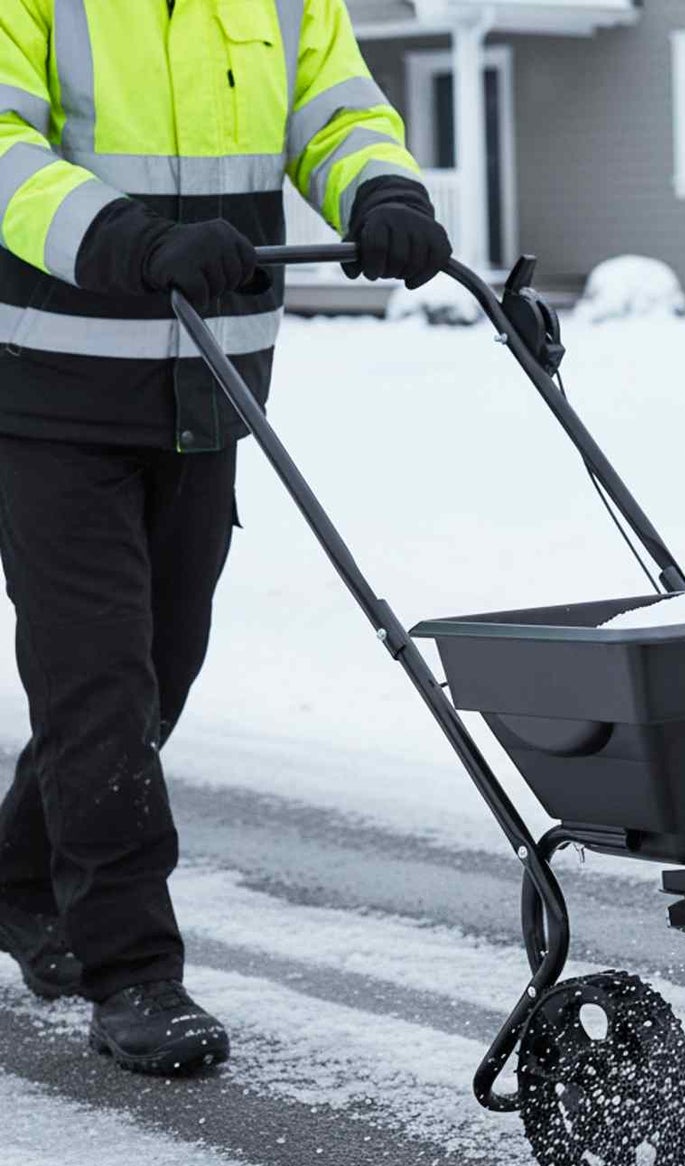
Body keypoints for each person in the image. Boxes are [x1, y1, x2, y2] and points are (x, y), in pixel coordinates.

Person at [0, 0, 450, 1074]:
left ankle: (19, 879)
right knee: (98, 684)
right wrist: (127, 239)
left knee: (160, 670)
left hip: (209, 383)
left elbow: (336, 115)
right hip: (49, 392)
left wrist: (381, 192)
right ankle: (131, 970)